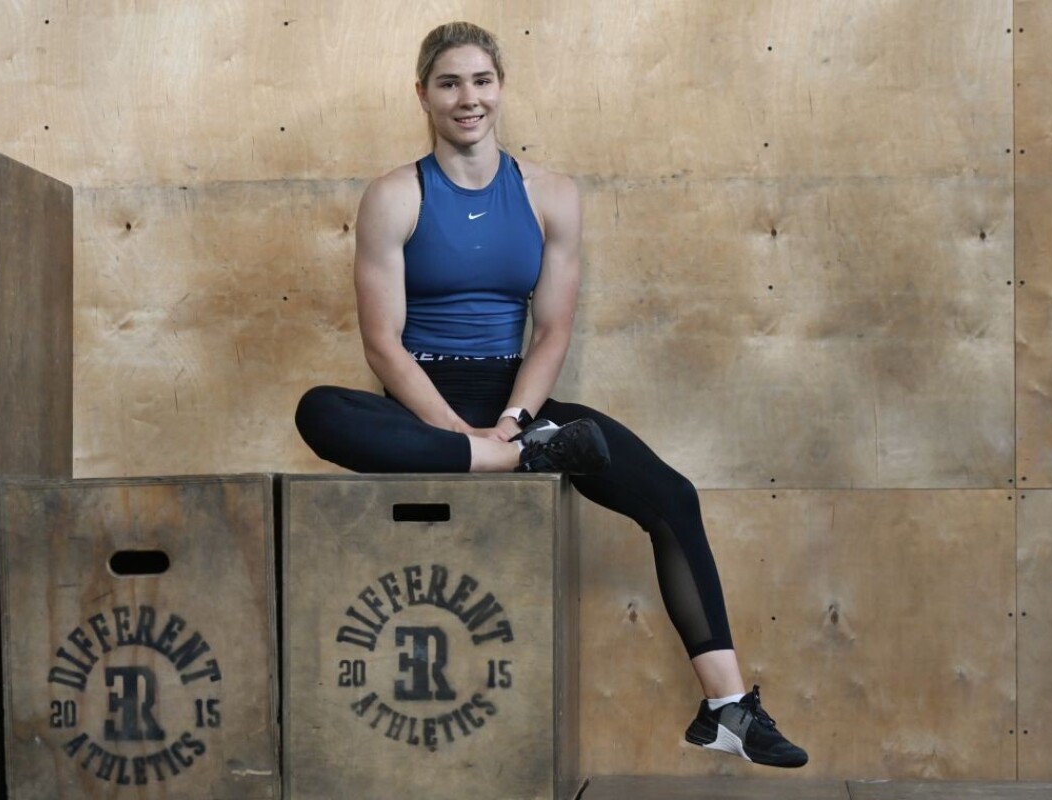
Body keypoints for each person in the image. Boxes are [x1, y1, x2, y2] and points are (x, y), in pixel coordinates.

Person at [294, 20, 807, 769]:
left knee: (673, 497)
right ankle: (519, 459)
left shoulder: (553, 195)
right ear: (423, 95)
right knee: (319, 410)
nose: (467, 98)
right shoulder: (394, 195)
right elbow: (383, 346)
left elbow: (552, 332)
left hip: (518, 404)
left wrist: (512, 420)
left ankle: (726, 708)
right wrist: (467, 439)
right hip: (422, 408)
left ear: (500, 87)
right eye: (448, 83)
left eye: (481, 81)